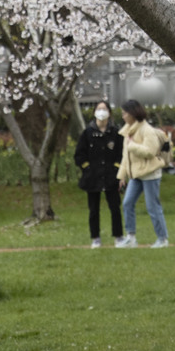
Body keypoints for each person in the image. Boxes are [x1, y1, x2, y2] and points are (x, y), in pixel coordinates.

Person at [117, 99, 169, 248]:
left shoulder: (147, 130)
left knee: (152, 207)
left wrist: (132, 146)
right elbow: (125, 158)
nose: (123, 116)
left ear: (133, 113)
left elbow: (150, 152)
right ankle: (131, 237)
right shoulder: (128, 131)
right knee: (127, 203)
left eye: (125, 113)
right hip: (136, 175)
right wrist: (122, 176)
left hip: (150, 174)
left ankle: (162, 238)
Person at [74, 100, 124, 248]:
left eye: (104, 109)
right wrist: (87, 168)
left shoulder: (115, 133)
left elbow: (121, 154)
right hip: (93, 177)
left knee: (115, 207)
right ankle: (95, 237)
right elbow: (79, 155)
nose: (101, 112)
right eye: (99, 109)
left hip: (111, 176)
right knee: (93, 209)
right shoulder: (88, 133)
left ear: (109, 112)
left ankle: (118, 236)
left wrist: (116, 169)